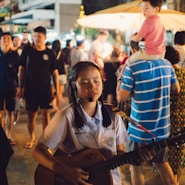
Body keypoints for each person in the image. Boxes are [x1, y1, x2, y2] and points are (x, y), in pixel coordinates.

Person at [32, 61, 155, 185]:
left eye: (96, 81)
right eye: (84, 82)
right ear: (74, 86)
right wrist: (65, 171)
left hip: (111, 180)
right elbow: (38, 151)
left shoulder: (114, 115)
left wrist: (134, 158)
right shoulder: (66, 116)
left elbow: (118, 152)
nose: (92, 86)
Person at [117, 53, 180, 185]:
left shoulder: (132, 66)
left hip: (139, 129)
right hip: (161, 129)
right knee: (162, 164)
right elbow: (176, 89)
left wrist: (120, 81)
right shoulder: (167, 64)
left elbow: (121, 97)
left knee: (136, 167)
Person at [17, 26, 59, 149]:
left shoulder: (50, 53)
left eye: (39, 36)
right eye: (34, 36)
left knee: (45, 115)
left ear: (45, 38)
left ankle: (45, 140)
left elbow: (55, 73)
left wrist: (56, 89)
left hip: (45, 89)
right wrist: (20, 87)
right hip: (30, 88)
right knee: (31, 114)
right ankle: (32, 137)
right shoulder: (27, 51)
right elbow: (21, 70)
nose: (37, 39)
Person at [164, 46, 185, 185]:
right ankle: (176, 179)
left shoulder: (166, 76)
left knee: (166, 152)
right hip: (183, 117)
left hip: (168, 118)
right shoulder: (184, 73)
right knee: (180, 150)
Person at [0, 32, 19, 145]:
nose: (6, 40)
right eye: (3, 38)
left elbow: (19, 72)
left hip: (11, 86)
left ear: (11, 41)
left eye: (8, 38)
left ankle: (8, 135)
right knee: (0, 112)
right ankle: (1, 136)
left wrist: (19, 86)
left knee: (10, 112)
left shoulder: (14, 55)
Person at [51, 39, 67, 112]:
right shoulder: (63, 54)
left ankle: (55, 108)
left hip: (53, 75)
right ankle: (58, 106)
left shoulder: (51, 53)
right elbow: (66, 62)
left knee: (53, 92)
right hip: (62, 75)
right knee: (59, 93)